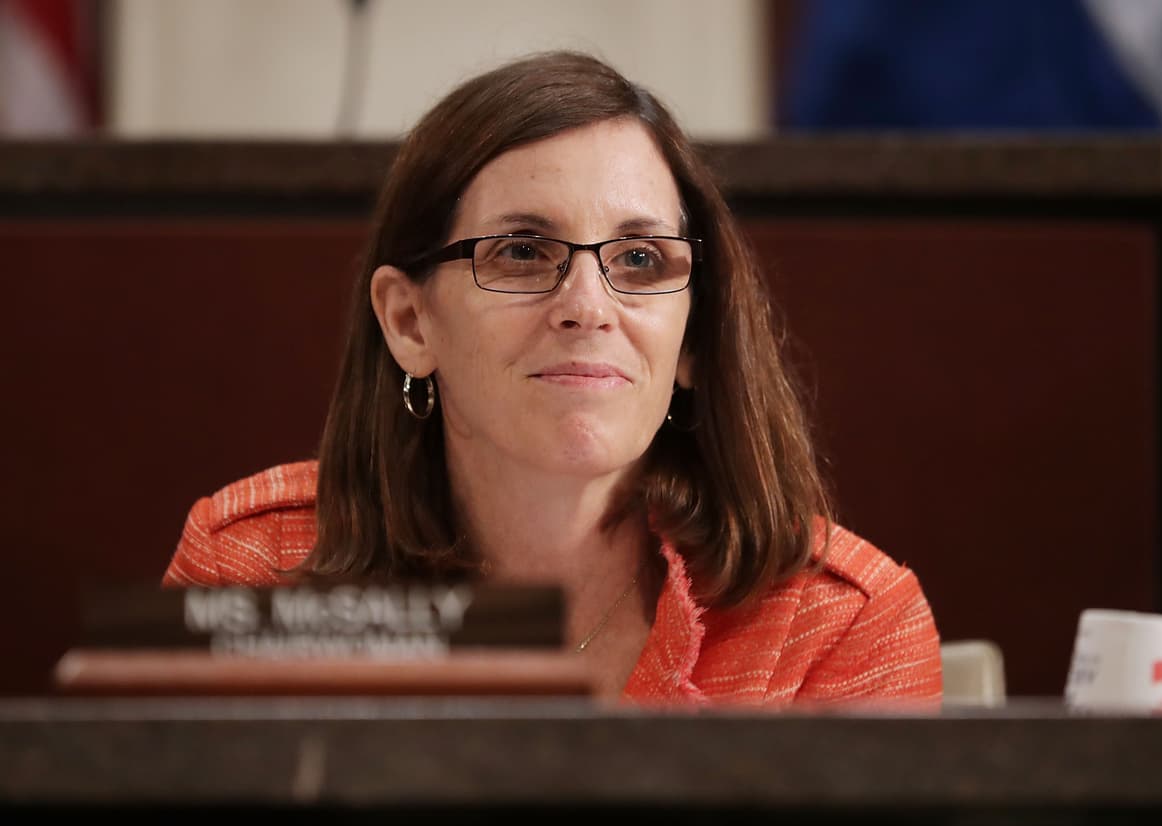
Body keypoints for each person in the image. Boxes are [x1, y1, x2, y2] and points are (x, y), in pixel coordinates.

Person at [164, 52, 942, 705]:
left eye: (640, 261)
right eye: (523, 253)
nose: (587, 308)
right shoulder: (254, 572)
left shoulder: (836, 626)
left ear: (693, 336)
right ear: (410, 322)